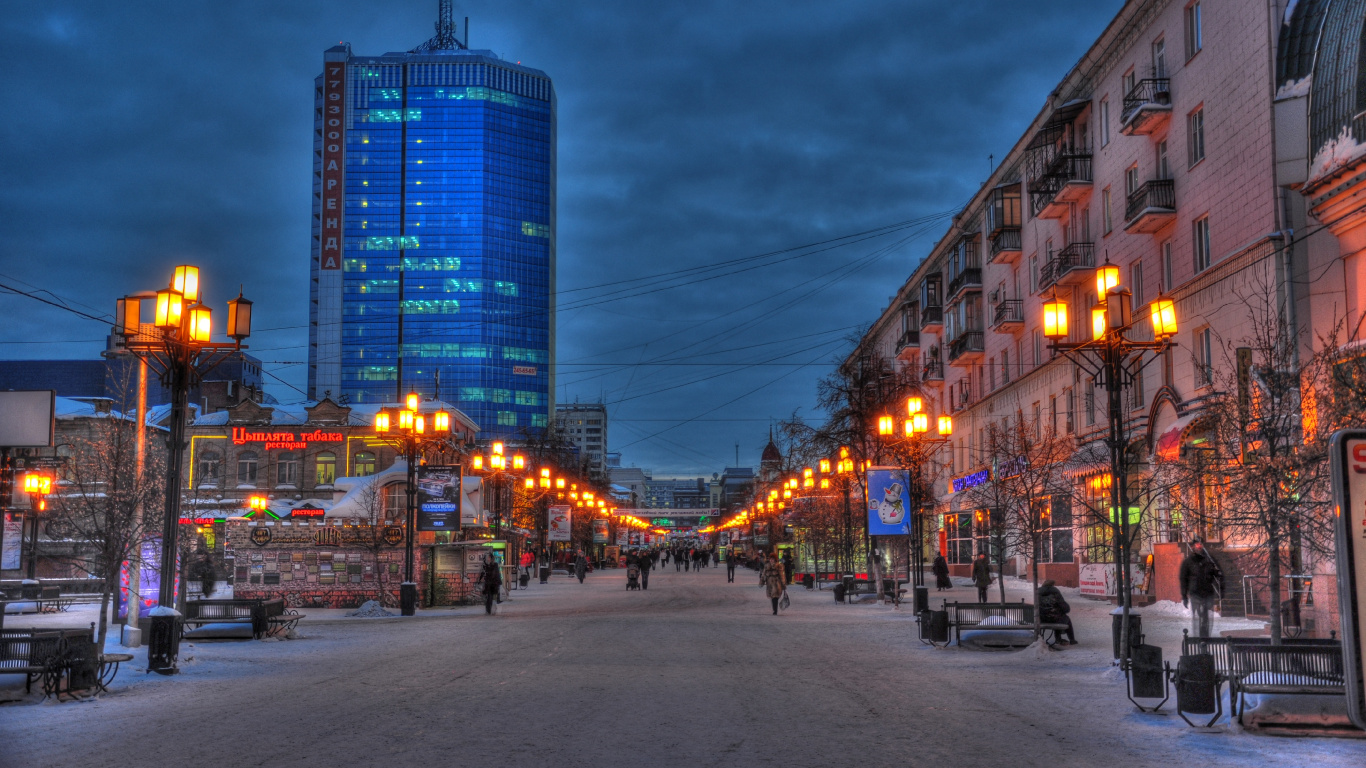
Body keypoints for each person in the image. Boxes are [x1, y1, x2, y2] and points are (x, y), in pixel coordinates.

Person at [1180, 537, 1224, 638]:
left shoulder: (1208, 560)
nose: (1199, 546)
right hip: (1195, 592)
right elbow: (1183, 579)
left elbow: (1215, 574)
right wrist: (1184, 595)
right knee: (1197, 615)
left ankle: (1205, 636)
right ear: (1192, 546)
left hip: (1207, 591)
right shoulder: (1188, 562)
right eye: (1197, 544)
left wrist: (1219, 582)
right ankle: (1199, 637)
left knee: (1206, 616)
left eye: (1201, 544)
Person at [1037, 579, 1076, 645]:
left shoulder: (1038, 593)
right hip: (1055, 619)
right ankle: (1072, 640)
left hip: (1042, 619)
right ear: (1052, 585)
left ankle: (1058, 639)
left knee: (1057, 616)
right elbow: (1065, 608)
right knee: (1064, 618)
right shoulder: (1055, 593)